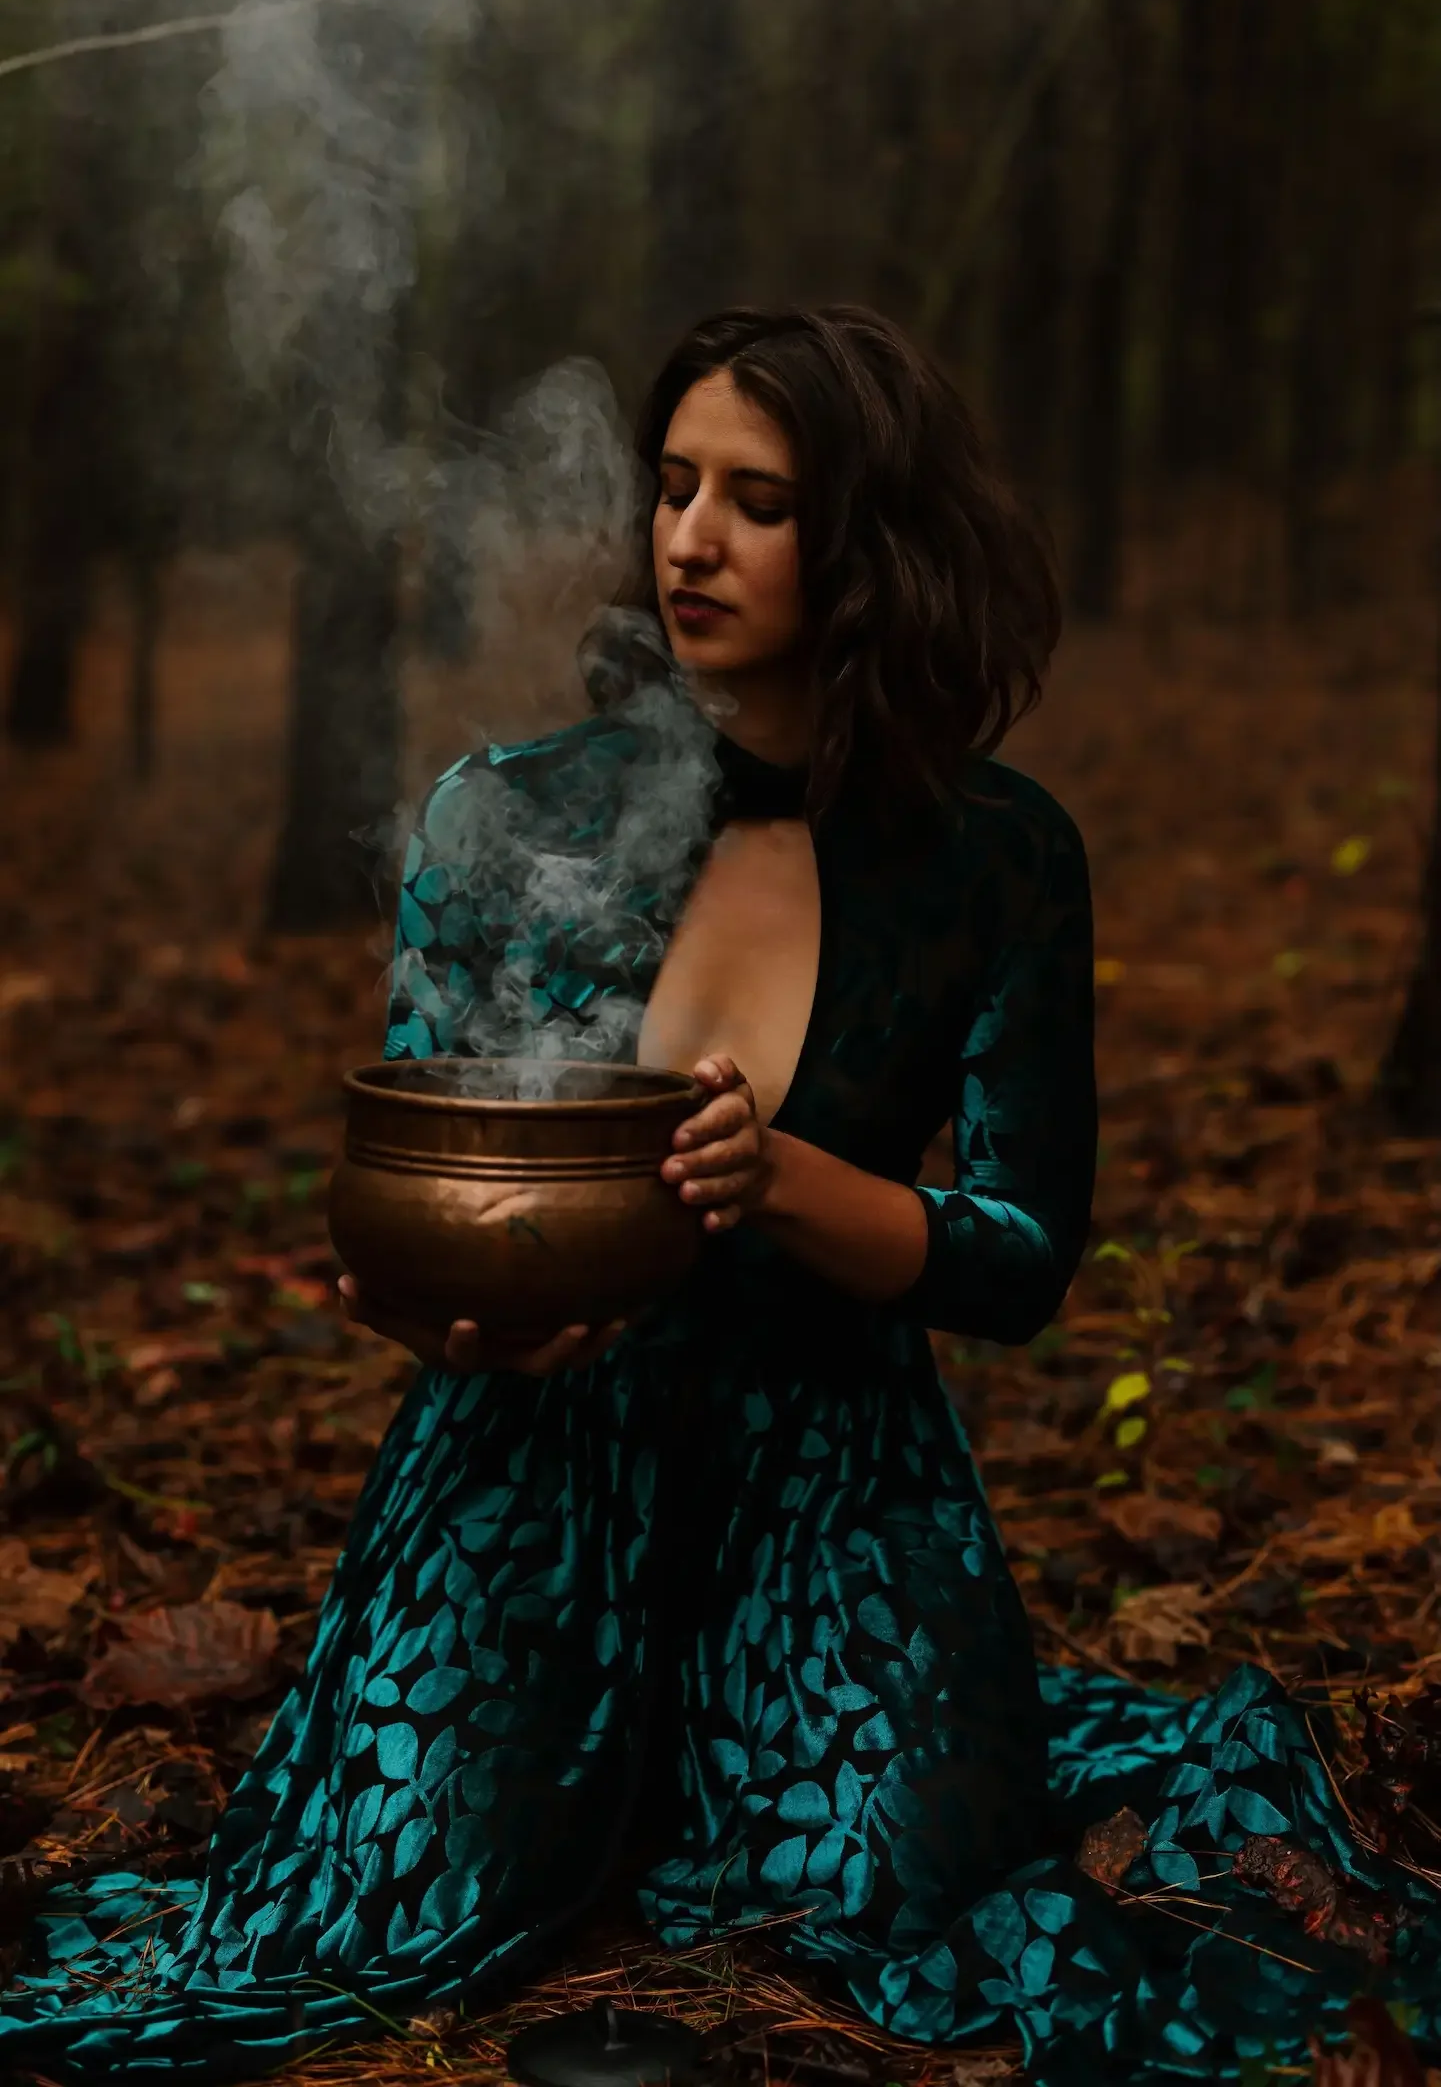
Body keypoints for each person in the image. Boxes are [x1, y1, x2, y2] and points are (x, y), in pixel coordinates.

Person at [2, 307, 1438, 2086]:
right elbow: (426, 1164)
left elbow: (1019, 1258)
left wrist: (787, 1183)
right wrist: (441, 1315)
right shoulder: (501, 819)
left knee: (881, 1896)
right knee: (392, 1907)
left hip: (836, 1477)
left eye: (759, 502)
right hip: (525, 1473)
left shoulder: (997, 859)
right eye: (673, 487)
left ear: (875, 545)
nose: (690, 539)